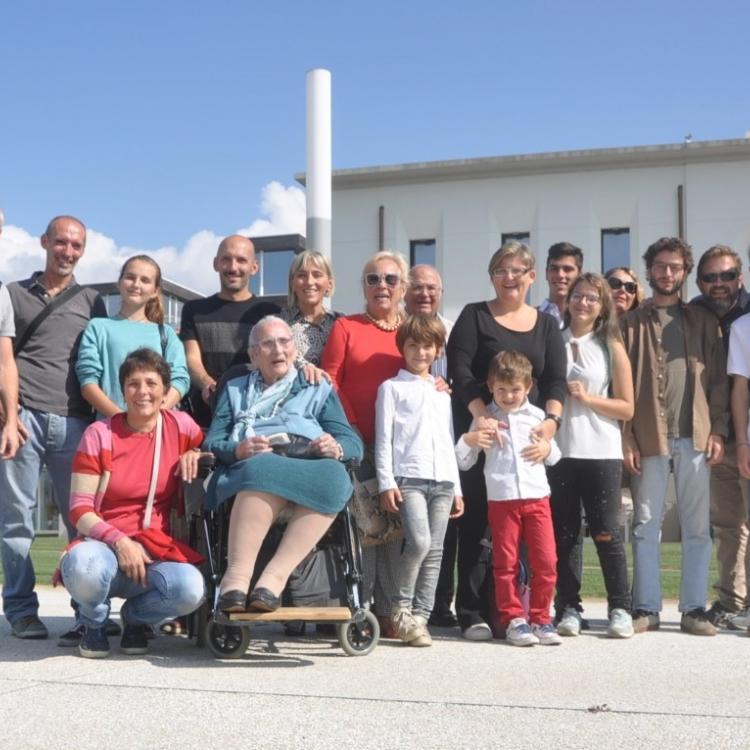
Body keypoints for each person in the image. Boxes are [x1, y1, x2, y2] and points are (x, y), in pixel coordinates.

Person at [448, 240, 567, 640]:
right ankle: (472, 612)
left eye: (517, 270)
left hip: (529, 436)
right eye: (501, 270)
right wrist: (481, 415)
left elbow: (556, 379)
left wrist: (551, 423)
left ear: (531, 276)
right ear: (492, 277)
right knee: (476, 526)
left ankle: (522, 613)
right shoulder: (474, 316)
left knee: (527, 542)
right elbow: (461, 370)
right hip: (484, 432)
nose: (509, 277)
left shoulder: (546, 324)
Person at [203, 316, 363, 611]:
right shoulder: (235, 389)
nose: (278, 349)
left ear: (294, 349)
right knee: (261, 468)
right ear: (254, 355)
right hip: (258, 462)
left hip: (309, 460)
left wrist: (336, 447)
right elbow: (213, 441)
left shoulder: (316, 385)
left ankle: (272, 580)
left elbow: (352, 441)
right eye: (268, 344)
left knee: (335, 477)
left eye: (284, 341)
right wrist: (238, 449)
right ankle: (236, 579)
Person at [0, 216, 107, 640]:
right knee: (16, 522)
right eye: (61, 242)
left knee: (83, 521)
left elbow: (99, 364)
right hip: (23, 421)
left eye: (76, 245)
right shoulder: (13, 293)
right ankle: (22, 611)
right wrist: (8, 416)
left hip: (76, 423)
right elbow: (3, 360)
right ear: (45, 242)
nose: (68, 251)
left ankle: (87, 612)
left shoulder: (93, 301)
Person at [61, 348, 205, 658]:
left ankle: (136, 620)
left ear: (165, 390)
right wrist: (121, 542)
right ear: (123, 390)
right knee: (84, 567)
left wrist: (196, 453)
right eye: (133, 384)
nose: (143, 392)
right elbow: (79, 510)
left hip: (154, 549)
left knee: (191, 589)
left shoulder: (180, 426)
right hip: (103, 548)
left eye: (151, 383)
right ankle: (93, 622)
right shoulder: (99, 434)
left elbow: (210, 445)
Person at [621, 236, 728, 636]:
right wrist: (627, 437)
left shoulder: (704, 322)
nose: (668, 273)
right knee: (646, 524)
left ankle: (693, 609)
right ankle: (646, 608)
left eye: (676, 267)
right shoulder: (629, 324)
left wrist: (718, 430)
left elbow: (718, 382)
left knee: (697, 527)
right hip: (649, 436)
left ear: (685, 273)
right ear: (649, 270)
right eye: (661, 266)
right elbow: (620, 386)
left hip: (696, 437)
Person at [321, 250, 409, 637]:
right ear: (363, 287)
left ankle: (390, 610)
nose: (382, 286)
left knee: (397, 528)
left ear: (402, 287)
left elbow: (428, 371)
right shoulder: (347, 327)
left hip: (402, 447)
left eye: (390, 279)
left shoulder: (412, 331)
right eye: (373, 279)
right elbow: (330, 379)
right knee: (366, 527)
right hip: (358, 442)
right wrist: (351, 428)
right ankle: (362, 606)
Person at [549, 273, 635, 638]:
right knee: (565, 534)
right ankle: (568, 607)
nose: (583, 303)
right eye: (578, 296)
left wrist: (588, 399)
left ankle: (620, 608)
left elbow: (627, 407)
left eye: (592, 298)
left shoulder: (610, 346)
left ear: (602, 307)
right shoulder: (552, 340)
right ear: (568, 300)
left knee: (606, 532)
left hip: (601, 451)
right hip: (560, 451)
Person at [456, 350, 562, 647]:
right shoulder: (484, 419)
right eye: (501, 389)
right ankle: (514, 619)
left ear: (528, 387)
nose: (508, 396)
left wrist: (546, 448)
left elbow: (555, 456)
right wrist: (469, 440)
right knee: (505, 562)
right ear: (490, 386)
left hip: (537, 499)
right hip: (502, 501)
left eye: (515, 389)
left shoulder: (538, 417)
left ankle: (541, 618)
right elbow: (463, 461)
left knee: (546, 561)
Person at [375, 316, 463, 647]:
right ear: (403, 348)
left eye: (428, 346)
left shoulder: (442, 393)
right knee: (419, 542)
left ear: (438, 350)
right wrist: (386, 482)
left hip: (443, 481)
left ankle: (421, 618)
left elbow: (448, 439)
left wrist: (457, 487)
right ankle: (401, 608)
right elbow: (384, 439)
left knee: (436, 550)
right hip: (409, 478)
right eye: (413, 345)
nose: (420, 352)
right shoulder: (391, 388)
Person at [404, 263, 457, 627]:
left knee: (440, 537)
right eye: (418, 287)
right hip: (406, 450)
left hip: (442, 444)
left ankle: (437, 605)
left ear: (441, 293)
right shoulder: (398, 329)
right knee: (410, 536)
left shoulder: (452, 332)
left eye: (431, 288)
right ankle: (398, 605)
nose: (424, 293)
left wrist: (447, 386)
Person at [180, 235, 279, 426]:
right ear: (216, 264)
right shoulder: (194, 310)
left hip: (258, 420)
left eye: (241, 260)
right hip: (204, 419)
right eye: (226, 259)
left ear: (254, 267)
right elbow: (191, 357)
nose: (233, 267)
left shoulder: (270, 313)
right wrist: (208, 384)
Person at [76, 255, 190, 417]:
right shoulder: (98, 327)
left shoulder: (166, 333)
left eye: (145, 280)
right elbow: (88, 381)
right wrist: (121, 420)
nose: (136, 284)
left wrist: (152, 417)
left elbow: (180, 379)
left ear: (155, 291)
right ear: (119, 283)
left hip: (154, 428)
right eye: (130, 277)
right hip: (110, 426)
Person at [280, 249, 340, 379]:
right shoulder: (279, 324)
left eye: (317, 275)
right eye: (302, 275)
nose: (309, 282)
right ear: (292, 283)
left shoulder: (340, 323)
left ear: (329, 284)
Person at [538, 242, 584, 327]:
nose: (560, 275)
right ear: (546, 273)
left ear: (579, 275)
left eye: (567, 269)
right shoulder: (530, 318)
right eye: (554, 269)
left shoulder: (588, 321)